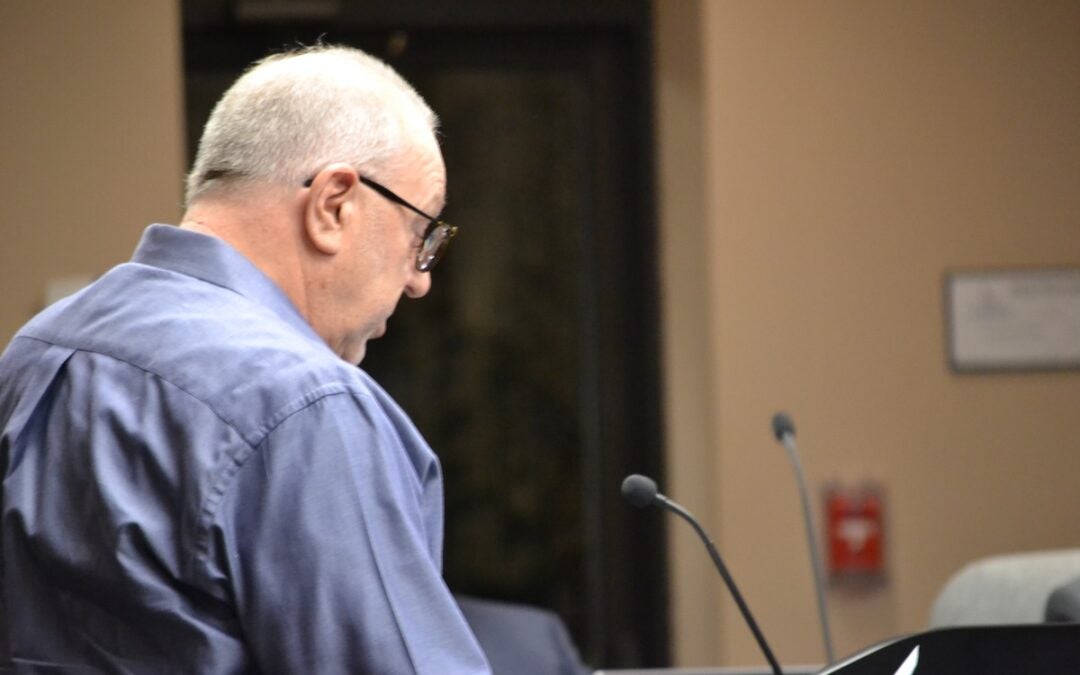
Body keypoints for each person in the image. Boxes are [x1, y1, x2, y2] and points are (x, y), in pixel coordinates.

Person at [0, 45, 489, 673]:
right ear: (335, 205)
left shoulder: (37, 353)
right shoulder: (309, 407)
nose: (420, 281)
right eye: (422, 234)